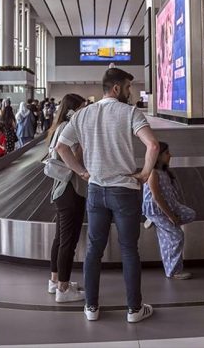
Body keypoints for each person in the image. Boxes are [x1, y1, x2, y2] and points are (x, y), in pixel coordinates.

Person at [55, 67, 159, 323]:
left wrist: (81, 172)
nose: (130, 92)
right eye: (127, 87)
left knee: (94, 250)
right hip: (124, 190)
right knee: (129, 251)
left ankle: (91, 307)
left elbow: (61, 147)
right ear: (116, 88)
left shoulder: (83, 114)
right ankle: (134, 310)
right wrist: (145, 172)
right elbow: (153, 145)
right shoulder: (130, 112)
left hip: (96, 190)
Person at [46, 93, 88, 303]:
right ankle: (63, 288)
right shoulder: (70, 129)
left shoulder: (59, 127)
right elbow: (70, 155)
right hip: (71, 189)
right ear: (74, 110)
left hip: (60, 190)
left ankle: (55, 280)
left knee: (60, 238)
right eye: (83, 107)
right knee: (68, 241)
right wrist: (82, 171)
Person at [142, 142, 196, 280]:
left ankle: (156, 223)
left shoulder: (164, 172)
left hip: (169, 206)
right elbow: (157, 197)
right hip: (157, 210)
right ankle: (173, 271)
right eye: (167, 153)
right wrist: (171, 216)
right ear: (158, 156)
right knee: (176, 236)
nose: (170, 155)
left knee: (190, 214)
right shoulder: (153, 173)